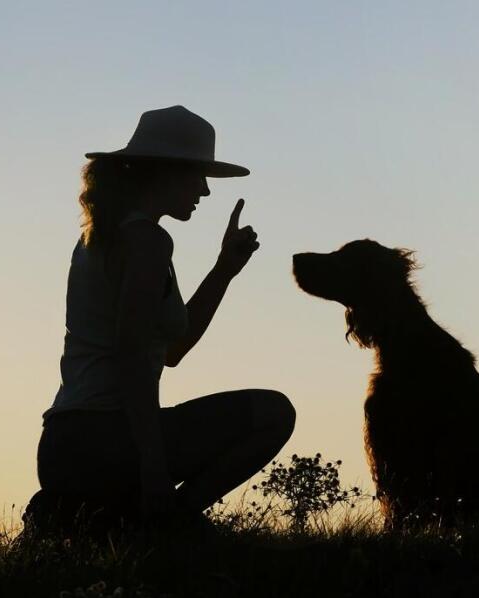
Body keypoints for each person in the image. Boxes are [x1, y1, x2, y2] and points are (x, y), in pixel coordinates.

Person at [28, 106, 295, 533]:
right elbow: (132, 356)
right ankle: (168, 526)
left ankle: (109, 520)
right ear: (165, 172)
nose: (205, 191)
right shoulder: (148, 241)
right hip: (106, 438)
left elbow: (171, 352)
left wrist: (224, 269)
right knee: (274, 412)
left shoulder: (103, 237)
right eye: (198, 176)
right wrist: (153, 469)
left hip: (66, 444)